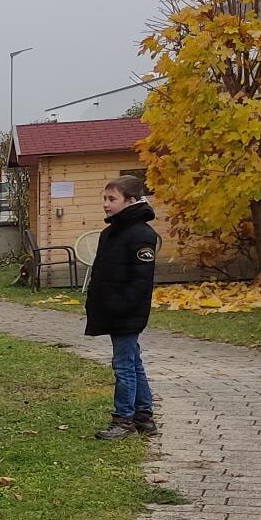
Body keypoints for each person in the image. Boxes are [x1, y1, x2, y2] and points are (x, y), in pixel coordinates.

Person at [84, 173, 161, 438]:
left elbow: (140, 281)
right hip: (112, 309)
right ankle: (144, 416)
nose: (106, 204)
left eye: (112, 199)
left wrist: (119, 307)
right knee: (132, 361)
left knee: (124, 365)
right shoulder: (111, 233)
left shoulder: (142, 235)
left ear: (131, 200)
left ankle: (123, 420)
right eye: (105, 198)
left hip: (127, 313)